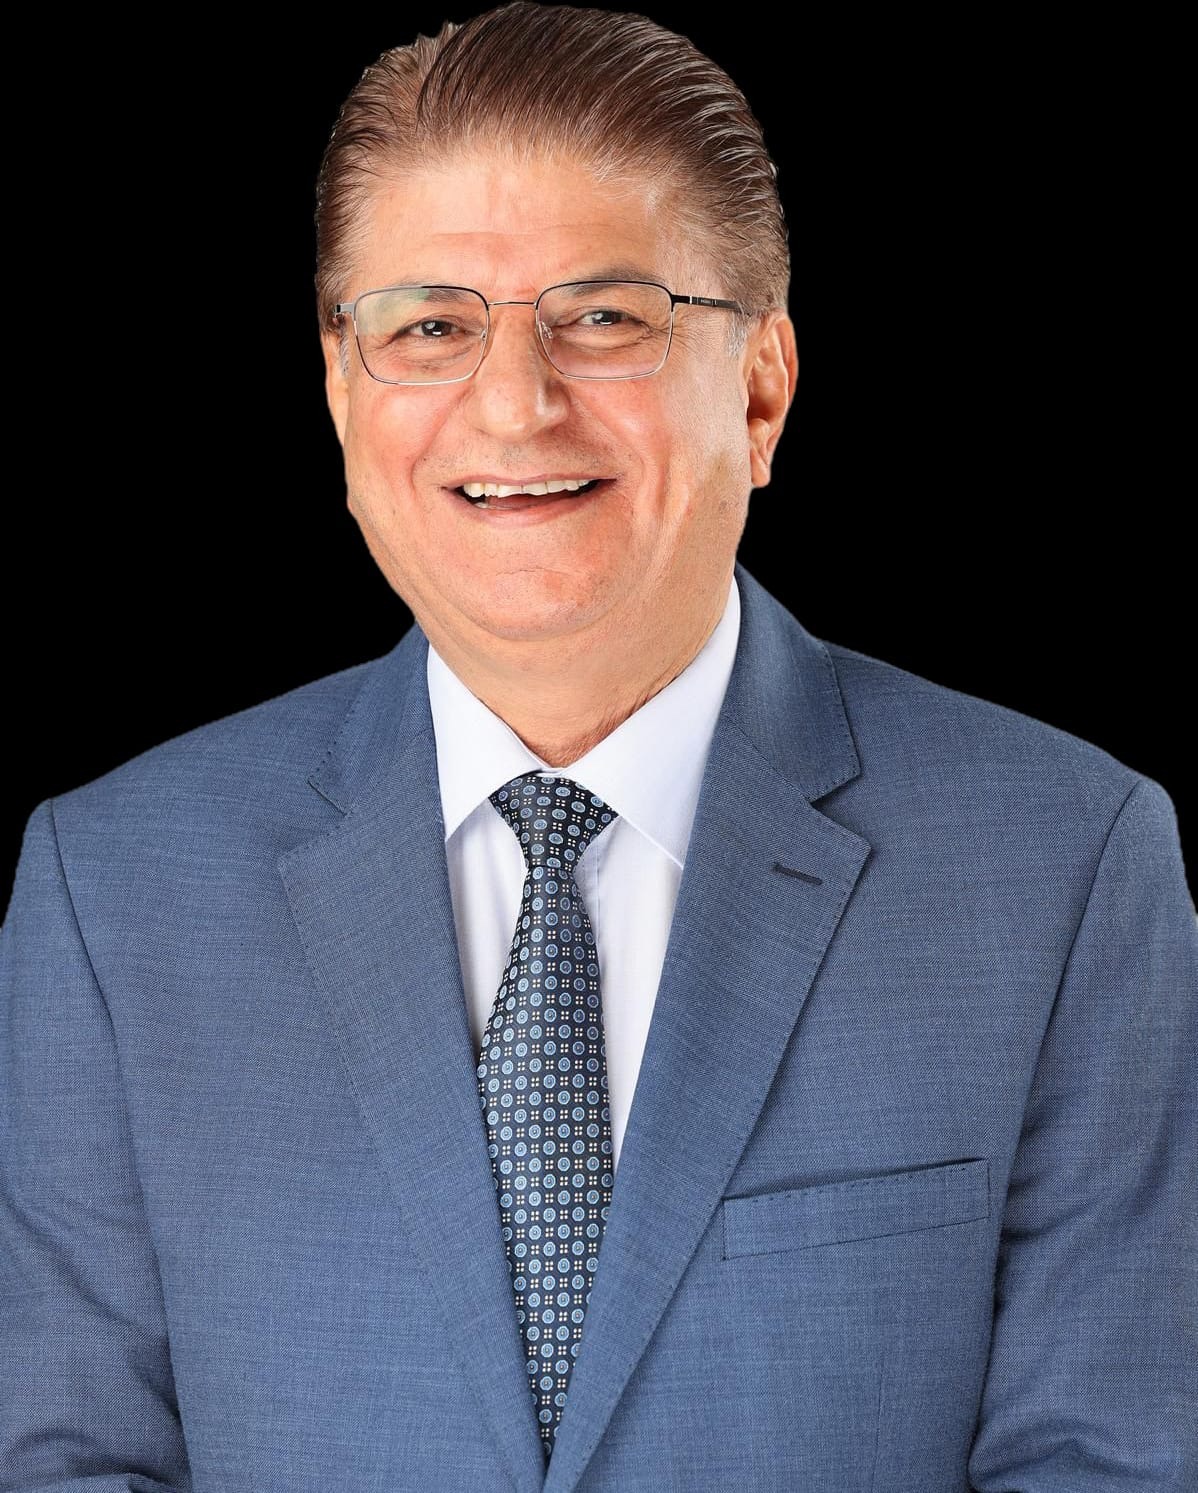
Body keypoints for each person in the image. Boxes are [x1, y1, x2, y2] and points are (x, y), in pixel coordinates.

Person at [1, 3, 1194, 1489]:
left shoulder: (1062, 865)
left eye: (607, 317)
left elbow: (1106, 1464)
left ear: (760, 388)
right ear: (342, 394)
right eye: (430, 327)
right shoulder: (112, 890)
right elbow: (68, 1460)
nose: (513, 402)